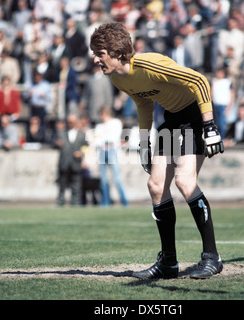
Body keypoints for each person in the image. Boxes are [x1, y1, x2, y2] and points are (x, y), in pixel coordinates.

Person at [90, 22, 224, 280]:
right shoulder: (118, 78)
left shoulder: (148, 64)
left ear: (117, 53)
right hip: (172, 120)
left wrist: (209, 126)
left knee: (185, 182)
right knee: (156, 186)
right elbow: (143, 103)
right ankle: (169, 263)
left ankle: (212, 257)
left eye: (100, 53)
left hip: (196, 115)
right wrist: (143, 143)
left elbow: (199, 80)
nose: (95, 59)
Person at [94, 106, 128, 207]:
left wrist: (103, 139)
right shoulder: (99, 126)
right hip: (101, 151)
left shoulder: (115, 122)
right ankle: (105, 202)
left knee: (116, 178)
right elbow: (97, 141)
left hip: (112, 150)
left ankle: (124, 202)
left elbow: (114, 137)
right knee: (103, 179)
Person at [54, 114, 87, 206]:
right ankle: (60, 202)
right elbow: (53, 143)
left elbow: (86, 148)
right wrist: (57, 144)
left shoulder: (82, 134)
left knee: (76, 186)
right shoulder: (61, 133)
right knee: (62, 185)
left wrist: (81, 153)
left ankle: (75, 203)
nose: (70, 124)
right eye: (69, 122)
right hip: (64, 163)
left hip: (75, 163)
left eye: (72, 122)